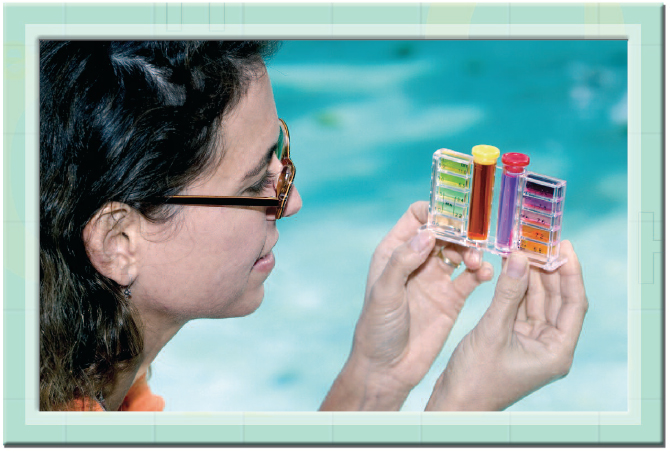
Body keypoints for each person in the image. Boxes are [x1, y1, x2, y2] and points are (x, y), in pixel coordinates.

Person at [39, 40, 587, 412]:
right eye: (256, 184)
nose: (292, 200)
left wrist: (377, 374)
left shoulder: (97, 379)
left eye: (282, 154)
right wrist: (461, 408)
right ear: (118, 243)